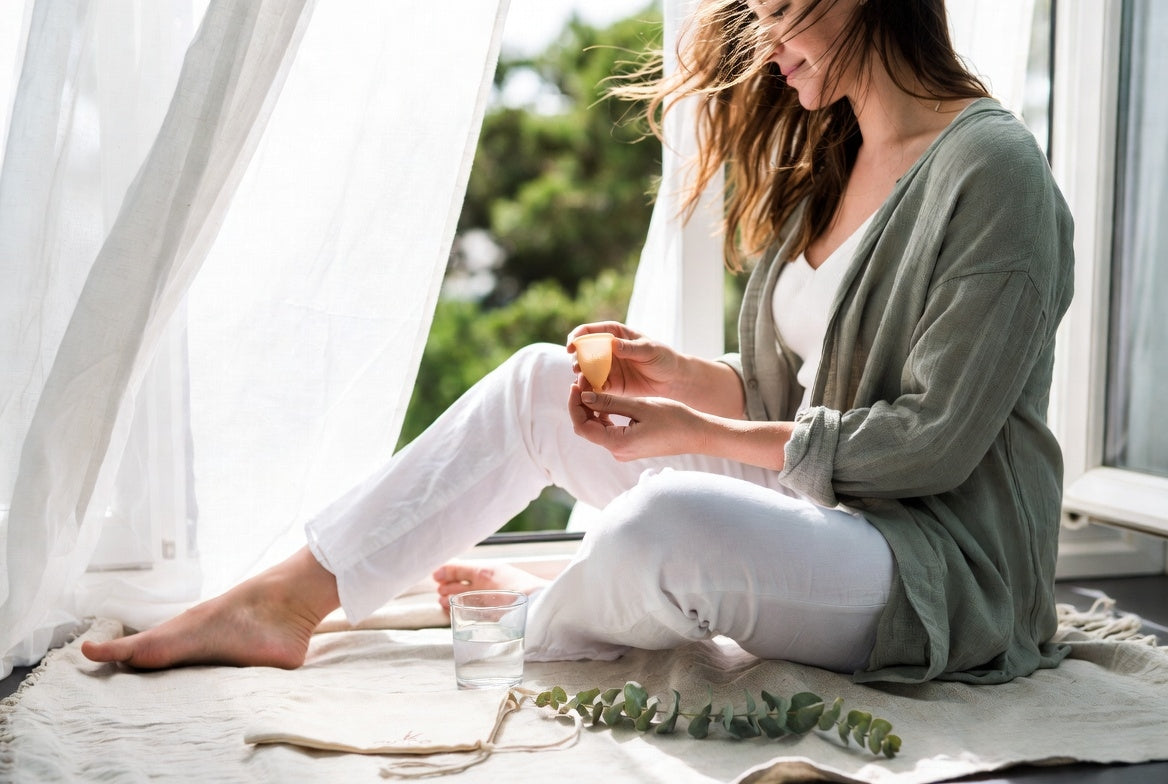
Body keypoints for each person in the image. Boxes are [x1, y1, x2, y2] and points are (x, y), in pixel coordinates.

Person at [82, 0, 1074, 684]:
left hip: (931, 565)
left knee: (669, 519)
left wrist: (696, 431)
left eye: (774, 12)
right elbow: (799, 390)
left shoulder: (992, 172)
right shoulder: (837, 151)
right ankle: (284, 601)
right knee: (541, 384)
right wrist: (686, 378)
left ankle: (545, 605)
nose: (764, 42)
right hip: (828, 507)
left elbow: (929, 441)